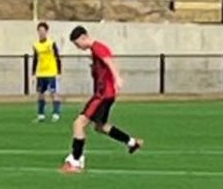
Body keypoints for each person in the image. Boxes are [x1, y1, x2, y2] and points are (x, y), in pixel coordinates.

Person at [61, 26, 143, 172]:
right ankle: (131, 143)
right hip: (106, 94)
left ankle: (76, 161)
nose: (78, 47)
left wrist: (117, 77)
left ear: (83, 37)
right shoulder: (94, 50)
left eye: (77, 43)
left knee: (79, 124)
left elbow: (109, 61)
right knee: (100, 126)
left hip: (102, 95)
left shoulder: (98, 48)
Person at [32, 22, 62, 121]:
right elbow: (35, 59)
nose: (41, 33)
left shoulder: (51, 43)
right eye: (40, 31)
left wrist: (59, 72)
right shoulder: (36, 45)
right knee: (40, 94)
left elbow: (57, 57)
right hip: (41, 73)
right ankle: (41, 115)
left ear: (46, 32)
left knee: (53, 93)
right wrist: (33, 73)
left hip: (51, 72)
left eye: (43, 31)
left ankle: (56, 113)